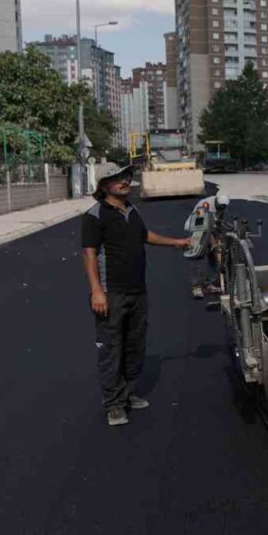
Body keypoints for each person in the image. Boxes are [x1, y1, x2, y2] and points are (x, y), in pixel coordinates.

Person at [81, 165, 190, 427]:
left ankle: (127, 394)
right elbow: (89, 253)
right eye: (117, 179)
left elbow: (145, 236)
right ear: (104, 185)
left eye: (126, 177)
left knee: (134, 345)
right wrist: (96, 290)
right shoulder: (95, 215)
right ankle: (114, 405)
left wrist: (177, 242)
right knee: (111, 348)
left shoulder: (132, 210)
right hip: (111, 293)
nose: (124, 181)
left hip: (137, 291)